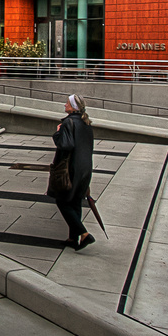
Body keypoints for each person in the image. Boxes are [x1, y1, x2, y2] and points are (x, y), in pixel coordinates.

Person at [52, 95, 95, 250]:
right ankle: (73, 239)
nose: (64, 105)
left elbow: (65, 145)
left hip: (71, 168)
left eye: (67, 103)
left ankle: (84, 234)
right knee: (75, 201)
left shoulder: (68, 122)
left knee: (62, 201)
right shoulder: (86, 123)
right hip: (85, 168)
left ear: (73, 107)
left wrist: (58, 132)